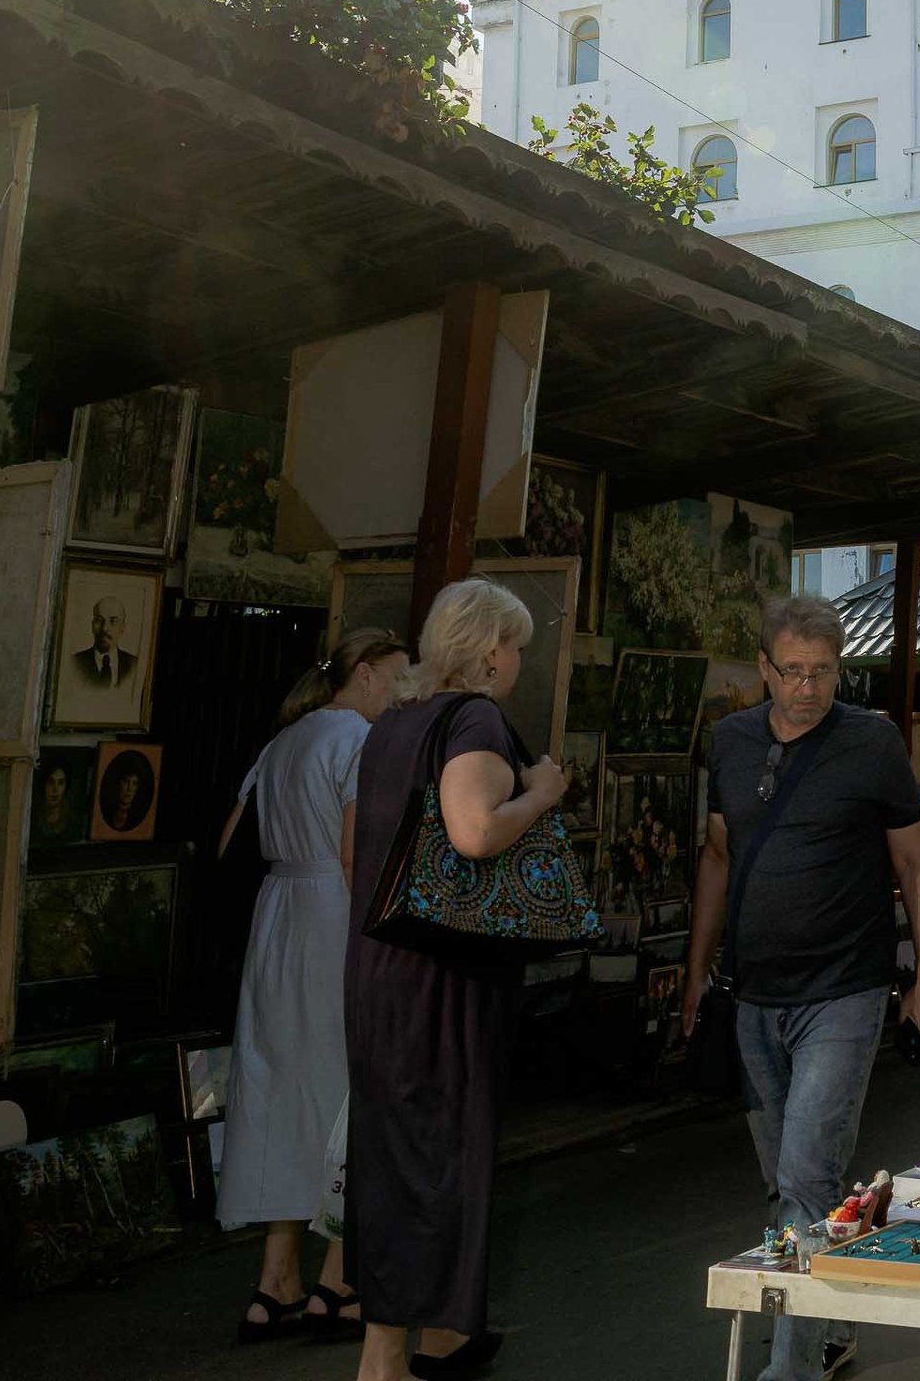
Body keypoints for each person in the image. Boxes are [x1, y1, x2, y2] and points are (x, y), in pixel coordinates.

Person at [684, 596, 920, 1381]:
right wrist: (698, 971)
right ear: (763, 668)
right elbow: (719, 858)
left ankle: (792, 1367)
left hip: (844, 991)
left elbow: (915, 863)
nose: (806, 688)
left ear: (841, 666)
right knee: (786, 1184)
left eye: (822, 671)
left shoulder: (872, 742)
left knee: (806, 1175)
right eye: (791, 672)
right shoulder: (728, 742)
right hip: (754, 996)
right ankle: (829, 1329)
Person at [344, 581, 564, 1381]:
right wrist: (541, 794)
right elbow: (475, 833)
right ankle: (387, 1359)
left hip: (378, 967)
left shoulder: (391, 725)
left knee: (392, 1151)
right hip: (443, 975)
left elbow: (352, 854)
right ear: (488, 649)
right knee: (439, 1155)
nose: (518, 662)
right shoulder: (473, 720)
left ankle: (430, 1336)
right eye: (515, 646)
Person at [216, 627, 409, 1344]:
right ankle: (339, 1280)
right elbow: (358, 856)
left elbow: (228, 842)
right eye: (394, 679)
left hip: (276, 921)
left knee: (277, 1096)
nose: (398, 694)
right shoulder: (358, 740)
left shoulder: (283, 742)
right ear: (362, 676)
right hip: (333, 918)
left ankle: (275, 1281)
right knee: (344, 1095)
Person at [69, 595, 139, 691]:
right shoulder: (75, 663)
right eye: (99, 620)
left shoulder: (135, 665)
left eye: (113, 621)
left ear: (123, 627)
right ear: (92, 625)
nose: (105, 628)